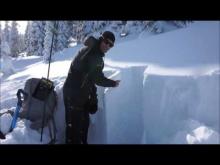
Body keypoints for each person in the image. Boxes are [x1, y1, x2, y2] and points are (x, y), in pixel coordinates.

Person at [63, 31, 120, 144]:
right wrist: (113, 83)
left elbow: (89, 79)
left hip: (80, 96)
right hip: (73, 95)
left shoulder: (94, 52)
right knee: (75, 132)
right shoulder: (93, 54)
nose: (108, 46)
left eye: (111, 45)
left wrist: (93, 99)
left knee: (83, 128)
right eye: (106, 42)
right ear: (101, 39)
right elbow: (97, 78)